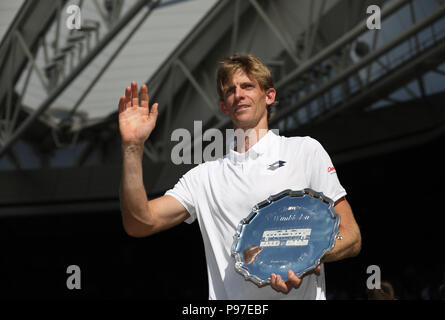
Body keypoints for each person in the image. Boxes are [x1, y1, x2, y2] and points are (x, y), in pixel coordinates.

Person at [118, 54, 361, 300]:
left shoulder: (304, 151)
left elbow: (351, 236)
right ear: (224, 106)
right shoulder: (204, 178)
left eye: (247, 86)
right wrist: (132, 148)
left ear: (269, 96)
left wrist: (306, 257)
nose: (239, 94)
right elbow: (139, 222)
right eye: (230, 90)